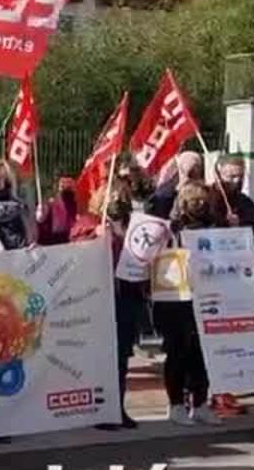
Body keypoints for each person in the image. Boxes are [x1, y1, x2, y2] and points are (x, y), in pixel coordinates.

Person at [71, 173, 143, 429]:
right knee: (101, 357)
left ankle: (117, 407)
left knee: (121, 355)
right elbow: (75, 247)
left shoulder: (131, 224)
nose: (119, 201)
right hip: (100, 296)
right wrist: (95, 235)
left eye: (123, 197)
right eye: (114, 196)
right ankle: (98, 409)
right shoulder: (89, 221)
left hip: (126, 294)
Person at [156, 181, 219, 425]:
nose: (199, 205)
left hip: (205, 296)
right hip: (174, 299)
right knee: (177, 350)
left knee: (201, 352)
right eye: (194, 201)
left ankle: (201, 402)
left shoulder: (213, 226)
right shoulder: (169, 229)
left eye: (203, 201)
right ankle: (176, 404)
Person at [148, 151, 206, 218]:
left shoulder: (204, 187)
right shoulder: (179, 190)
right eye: (195, 166)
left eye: (197, 166)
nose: (197, 169)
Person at [36, 177, 79, 246]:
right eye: (63, 186)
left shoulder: (79, 206)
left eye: (69, 187)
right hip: (55, 246)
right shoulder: (51, 206)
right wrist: (41, 220)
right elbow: (43, 230)